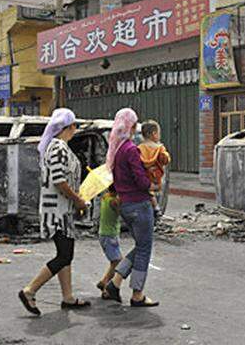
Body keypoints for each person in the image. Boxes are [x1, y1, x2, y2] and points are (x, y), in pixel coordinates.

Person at [18, 108, 91, 316]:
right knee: (64, 255)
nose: (76, 130)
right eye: (74, 125)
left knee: (65, 254)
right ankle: (30, 290)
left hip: (61, 209)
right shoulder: (58, 147)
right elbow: (59, 180)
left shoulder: (56, 146)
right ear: (69, 127)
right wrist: (78, 200)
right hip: (58, 211)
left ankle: (67, 297)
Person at [103, 108, 159, 307]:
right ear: (131, 126)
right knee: (144, 249)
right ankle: (137, 294)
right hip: (139, 204)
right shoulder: (131, 149)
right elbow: (141, 180)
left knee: (141, 246)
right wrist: (151, 183)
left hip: (125, 205)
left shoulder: (116, 150)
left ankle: (115, 283)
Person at [138, 120, 171, 217]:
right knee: (156, 192)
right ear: (154, 134)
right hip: (156, 177)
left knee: (148, 192)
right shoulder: (159, 148)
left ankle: (154, 207)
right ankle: (156, 208)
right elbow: (166, 160)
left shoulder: (139, 148)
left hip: (145, 177)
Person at [96, 185, 122, 297]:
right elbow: (121, 212)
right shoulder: (114, 202)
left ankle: (104, 282)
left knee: (115, 262)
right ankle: (105, 285)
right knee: (117, 262)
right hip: (109, 236)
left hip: (105, 234)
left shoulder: (105, 197)